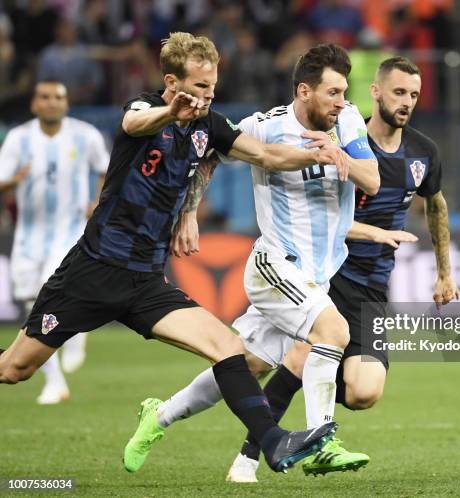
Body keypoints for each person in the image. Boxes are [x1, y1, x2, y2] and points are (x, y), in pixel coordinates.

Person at [0, 32, 346, 473]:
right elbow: (134, 125)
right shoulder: (144, 109)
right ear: (171, 81)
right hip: (92, 273)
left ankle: (274, 441)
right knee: (15, 369)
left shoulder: (209, 126)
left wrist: (322, 155)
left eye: (213, 87)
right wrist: (170, 112)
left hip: (145, 282)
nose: (208, 96)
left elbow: (266, 154)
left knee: (227, 346)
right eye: (200, 88)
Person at [122, 43, 380, 476]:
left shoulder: (350, 120)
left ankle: (158, 416)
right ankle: (323, 440)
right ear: (303, 90)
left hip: (317, 275)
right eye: (332, 93)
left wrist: (341, 157)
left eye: (343, 92)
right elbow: (207, 155)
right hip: (274, 263)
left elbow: (371, 178)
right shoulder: (265, 127)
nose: (341, 102)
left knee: (248, 365)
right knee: (332, 331)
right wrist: (188, 213)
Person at [225, 55, 459, 481]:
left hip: (372, 289)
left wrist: (444, 272)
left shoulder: (423, 152)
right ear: (376, 92)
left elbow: (436, 206)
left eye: (414, 95)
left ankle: (307, 403)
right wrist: (370, 232)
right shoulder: (344, 138)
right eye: (399, 93)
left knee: (364, 391)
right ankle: (248, 457)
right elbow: (322, 219)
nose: (407, 102)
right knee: (270, 361)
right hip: (329, 273)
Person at [0, 80, 108, 404]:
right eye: (45, 97)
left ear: (66, 103)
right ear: (34, 104)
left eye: (58, 97)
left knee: (47, 293)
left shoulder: (84, 135)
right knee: (30, 304)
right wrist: (14, 181)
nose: (51, 103)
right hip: (28, 235)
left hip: (69, 229)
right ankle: (64, 361)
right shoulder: (19, 139)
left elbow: (105, 169)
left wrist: (98, 201)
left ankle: (56, 379)